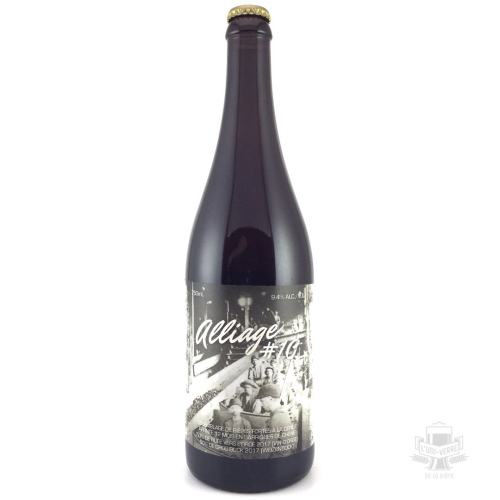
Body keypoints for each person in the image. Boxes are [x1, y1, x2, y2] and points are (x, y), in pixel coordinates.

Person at [256, 384, 294, 458]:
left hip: (276, 459)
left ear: (270, 399)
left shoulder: (278, 416)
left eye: (262, 400)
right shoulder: (278, 413)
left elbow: (266, 452)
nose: (261, 404)